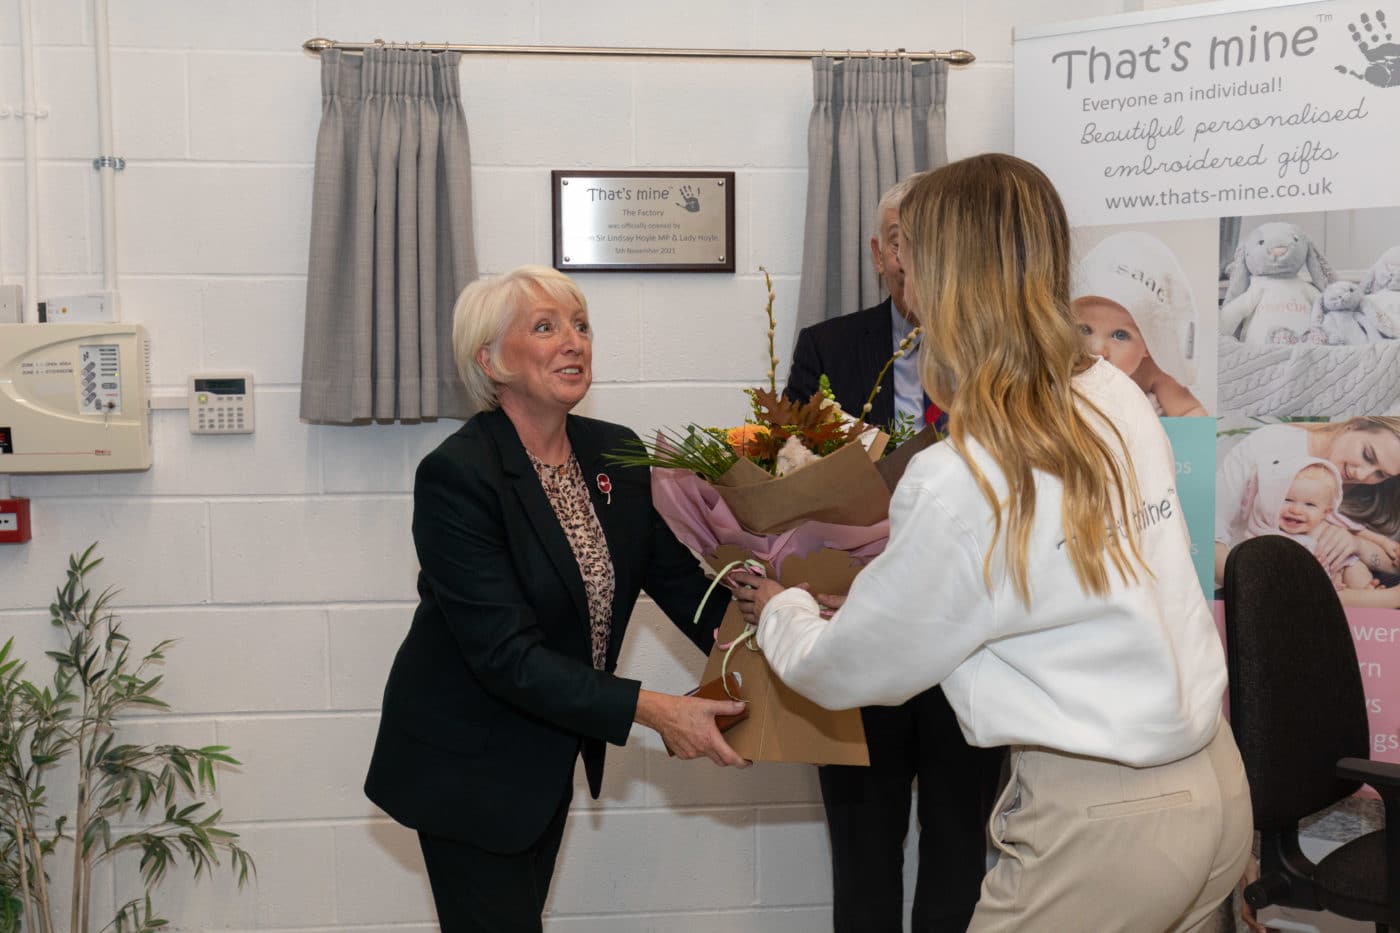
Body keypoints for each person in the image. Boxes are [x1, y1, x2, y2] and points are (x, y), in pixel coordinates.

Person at [733, 154, 1253, 932]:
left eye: (914, 259)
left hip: (1102, 822)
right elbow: (1066, 580)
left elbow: (842, 673)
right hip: (1213, 784)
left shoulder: (960, 476)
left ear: (946, 281)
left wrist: (786, 608)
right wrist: (884, 600)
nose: (903, 279)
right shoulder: (1111, 393)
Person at [364, 265, 749, 933]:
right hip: (466, 766)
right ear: (490, 360)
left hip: (542, 761)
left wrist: (788, 632)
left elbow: (688, 590)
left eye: (581, 326)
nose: (574, 342)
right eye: (545, 327)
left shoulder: (614, 452)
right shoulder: (458, 475)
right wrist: (656, 710)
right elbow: (507, 657)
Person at [783, 174, 1004, 933]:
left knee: (959, 860)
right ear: (880, 254)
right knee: (863, 862)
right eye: (899, 240)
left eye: (925, 239)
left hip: (965, 655)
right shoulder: (828, 346)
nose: (910, 257)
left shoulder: (998, 358)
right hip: (858, 639)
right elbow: (794, 488)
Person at [1214, 417, 1400, 608]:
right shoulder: (1274, 446)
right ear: (1356, 425)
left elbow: (1393, 562)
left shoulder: (1372, 493)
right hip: (1250, 576)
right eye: (1367, 455)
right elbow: (1210, 540)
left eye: (1381, 474)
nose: (1361, 475)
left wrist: (1355, 543)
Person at [1072, 231, 1207, 417]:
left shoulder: (1150, 373)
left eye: (1120, 335)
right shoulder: (1066, 369)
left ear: (1149, 346)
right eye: (1084, 329)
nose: (1097, 349)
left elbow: (1191, 413)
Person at [1244, 457, 1375, 591]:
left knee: (1354, 566)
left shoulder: (1322, 529)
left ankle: (1367, 590)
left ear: (1325, 512)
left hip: (1335, 581)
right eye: (1287, 500)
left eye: (1309, 504)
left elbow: (1354, 529)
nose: (1296, 510)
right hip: (1300, 590)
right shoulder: (1264, 533)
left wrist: (1383, 542)